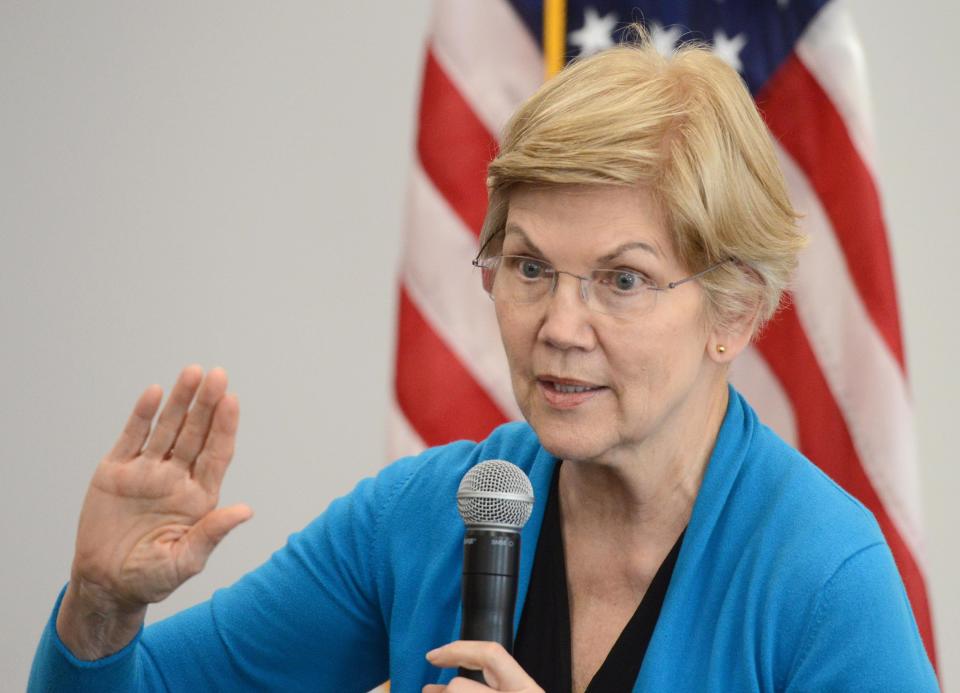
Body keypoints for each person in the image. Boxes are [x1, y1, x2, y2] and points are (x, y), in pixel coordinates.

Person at [30, 29, 937, 693]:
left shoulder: (823, 577)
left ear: (732, 311)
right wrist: (102, 606)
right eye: (531, 267)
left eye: (622, 279)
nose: (559, 324)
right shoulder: (422, 516)